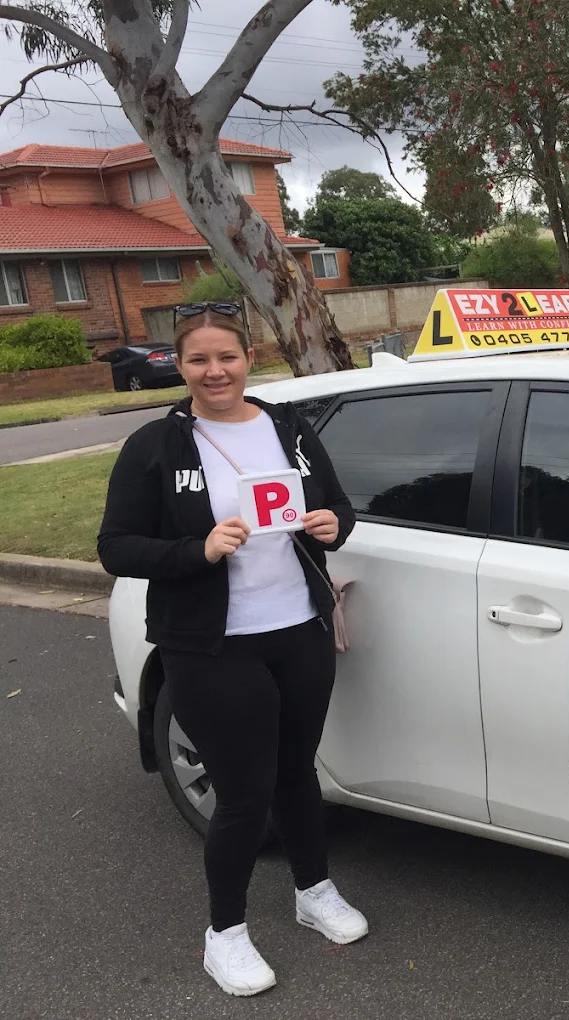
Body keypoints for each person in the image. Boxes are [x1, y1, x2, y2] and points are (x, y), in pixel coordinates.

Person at [97, 302, 365, 997]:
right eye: (198, 360)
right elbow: (115, 547)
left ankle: (313, 892)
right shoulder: (155, 445)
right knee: (244, 797)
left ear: (249, 358)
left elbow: (338, 506)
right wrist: (199, 549)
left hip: (298, 631)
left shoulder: (287, 427)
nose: (215, 371)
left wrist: (335, 525)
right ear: (179, 367)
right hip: (212, 645)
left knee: (297, 773)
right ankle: (226, 935)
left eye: (228, 357)